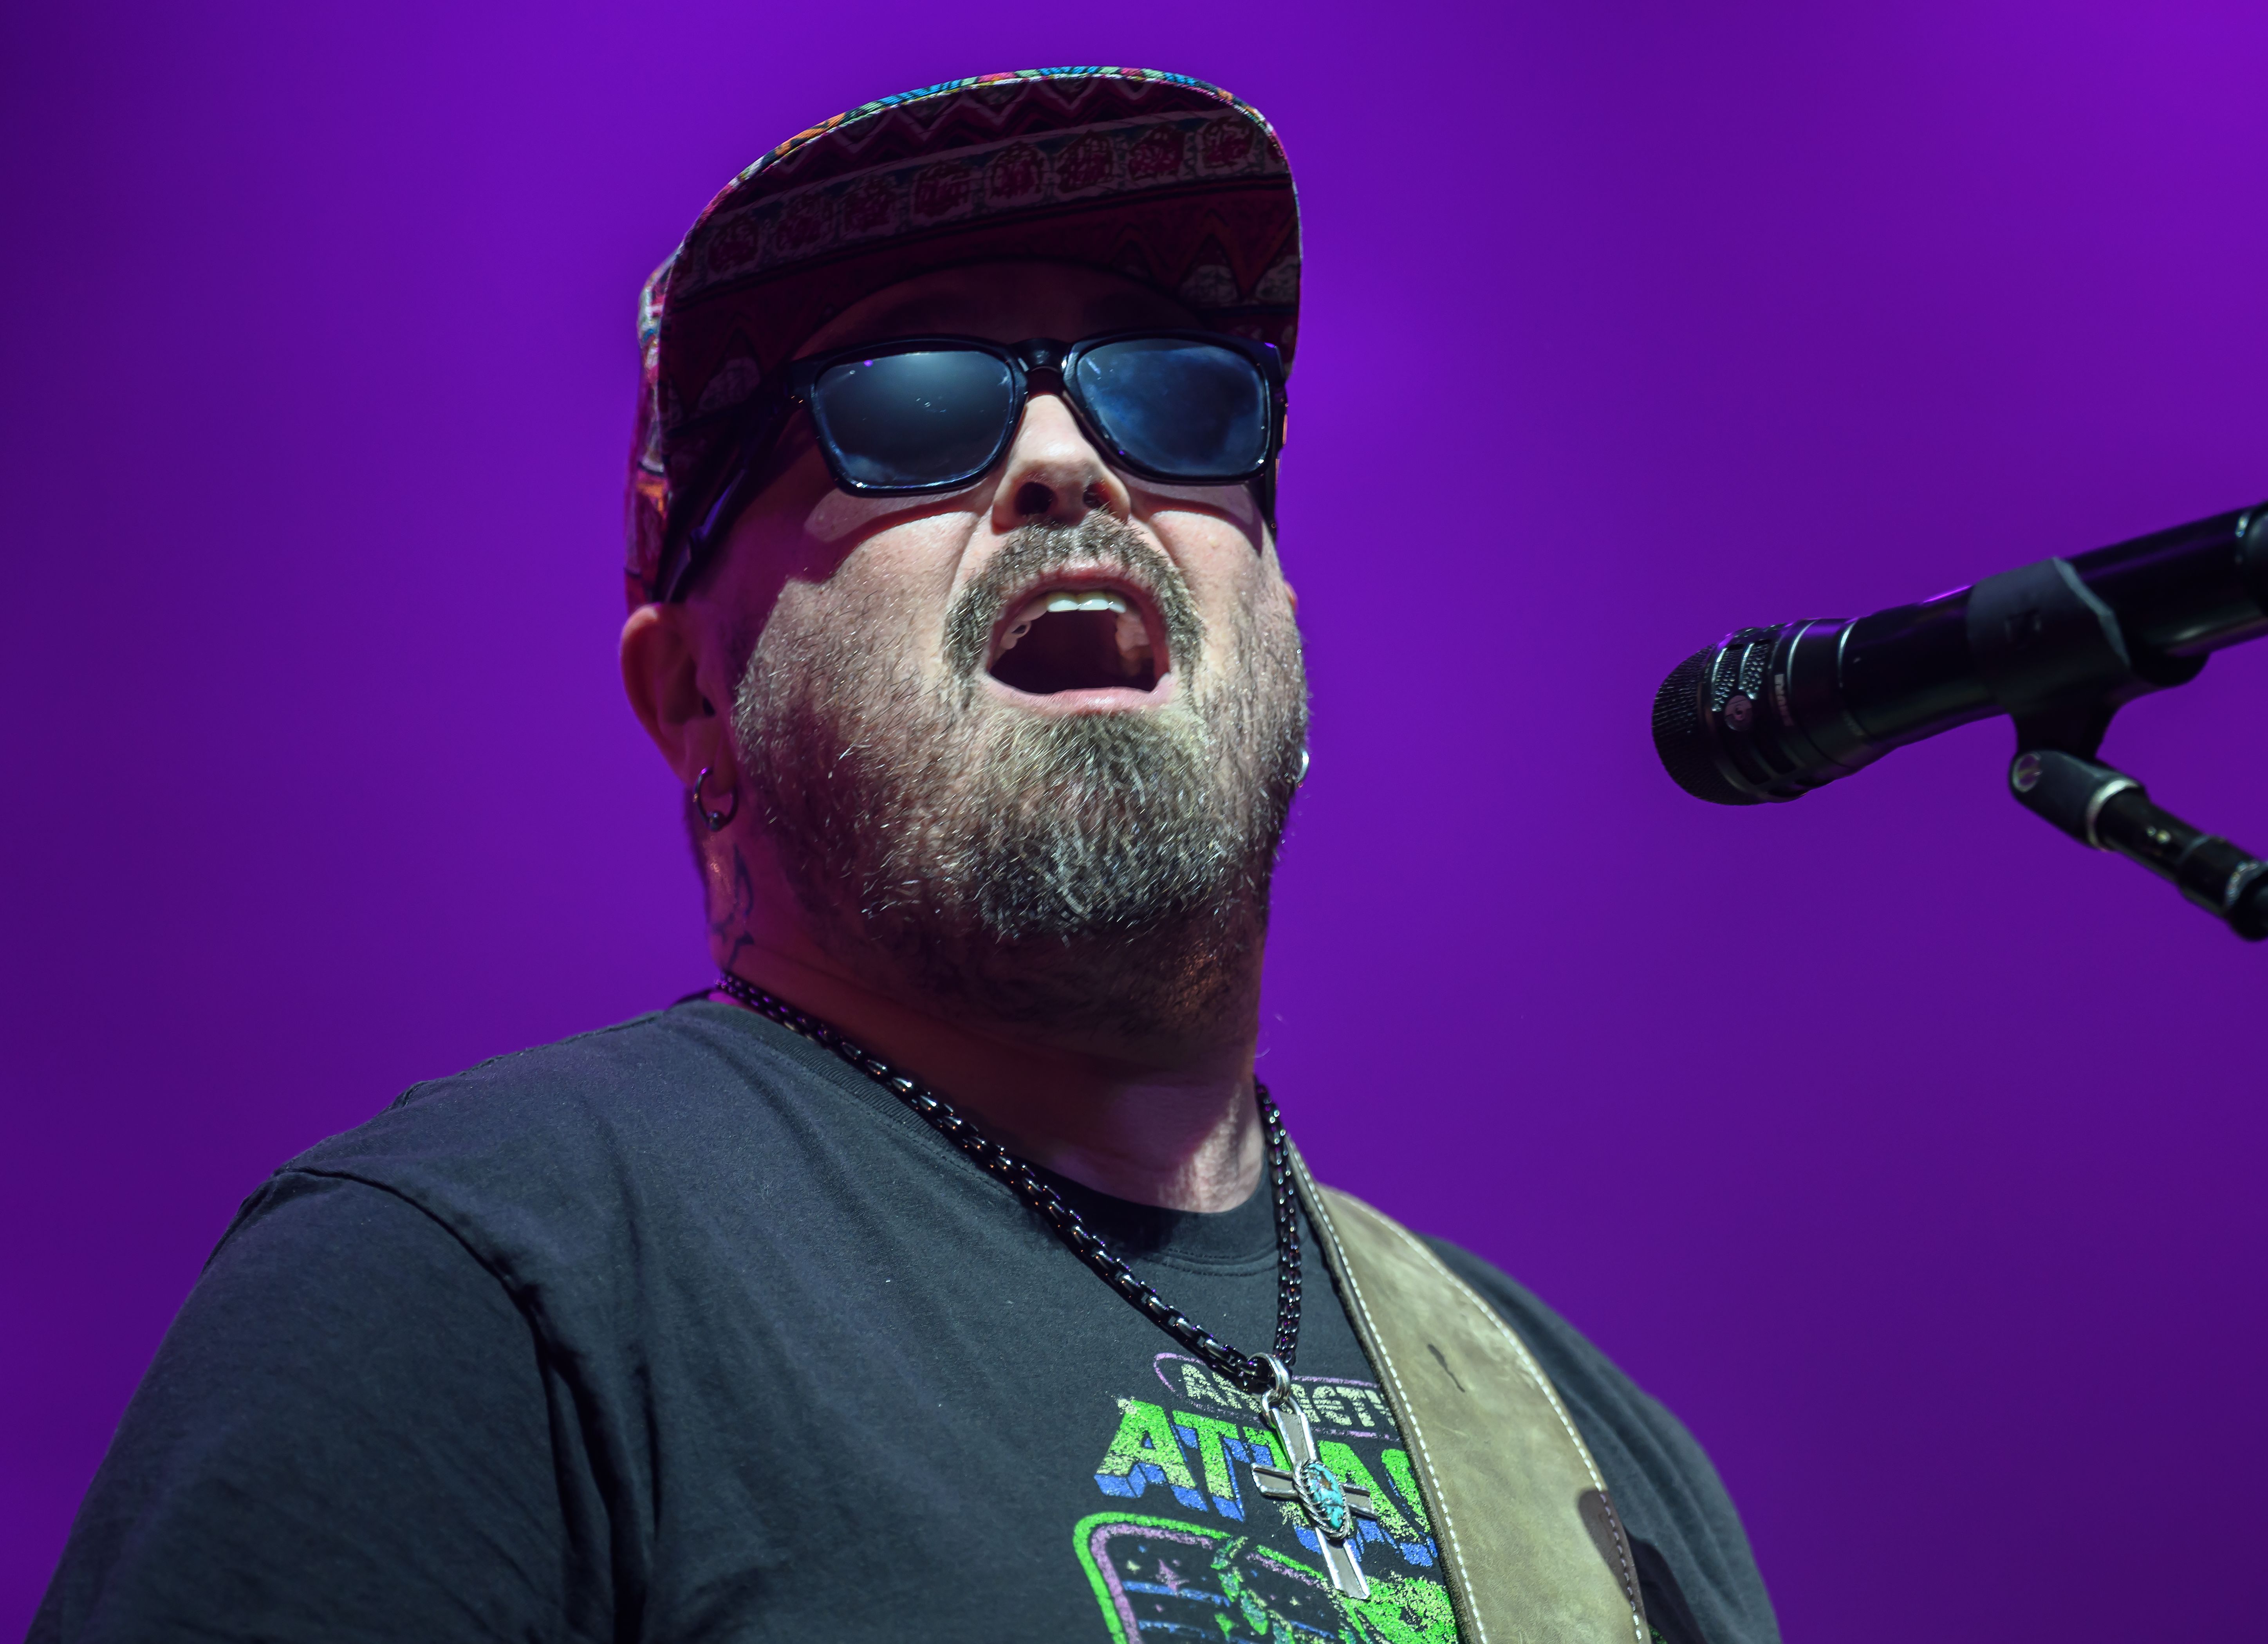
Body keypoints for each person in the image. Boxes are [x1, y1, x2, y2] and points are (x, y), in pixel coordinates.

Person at [28, 67, 1777, 1644]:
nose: (1064, 460)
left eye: (1175, 397)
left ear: (1287, 637)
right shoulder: (471, 1284)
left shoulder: (1591, 1454)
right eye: (913, 403)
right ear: (695, 698)